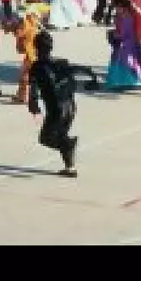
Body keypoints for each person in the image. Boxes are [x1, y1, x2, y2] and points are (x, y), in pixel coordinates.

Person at [29, 30, 84, 178]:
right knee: (61, 135)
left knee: (46, 138)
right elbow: (73, 84)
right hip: (70, 107)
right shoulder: (62, 62)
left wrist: (34, 108)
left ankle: (69, 144)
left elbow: (33, 91)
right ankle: (70, 168)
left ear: (36, 47)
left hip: (56, 110)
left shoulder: (36, 67)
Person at [12, 0, 49, 105]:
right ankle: (28, 95)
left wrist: (15, 29)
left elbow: (22, 33)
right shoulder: (37, 19)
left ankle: (22, 97)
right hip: (38, 51)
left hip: (30, 52)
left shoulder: (28, 19)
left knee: (25, 75)